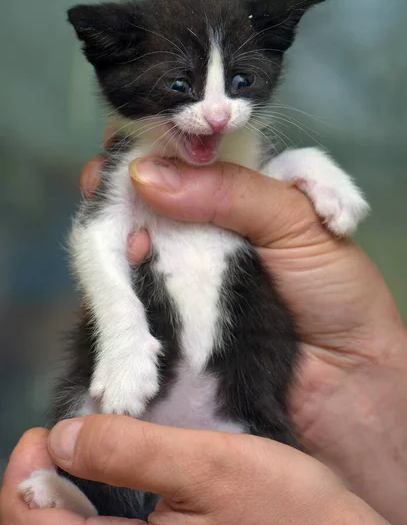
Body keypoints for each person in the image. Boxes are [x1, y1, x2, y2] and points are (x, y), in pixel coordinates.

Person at [1, 152, 406, 525]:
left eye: (240, 83)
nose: (215, 115)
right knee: (86, 416)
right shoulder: (146, 170)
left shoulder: (240, 163)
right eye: (176, 85)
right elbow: (95, 237)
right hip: (158, 396)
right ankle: (91, 499)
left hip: (236, 405)